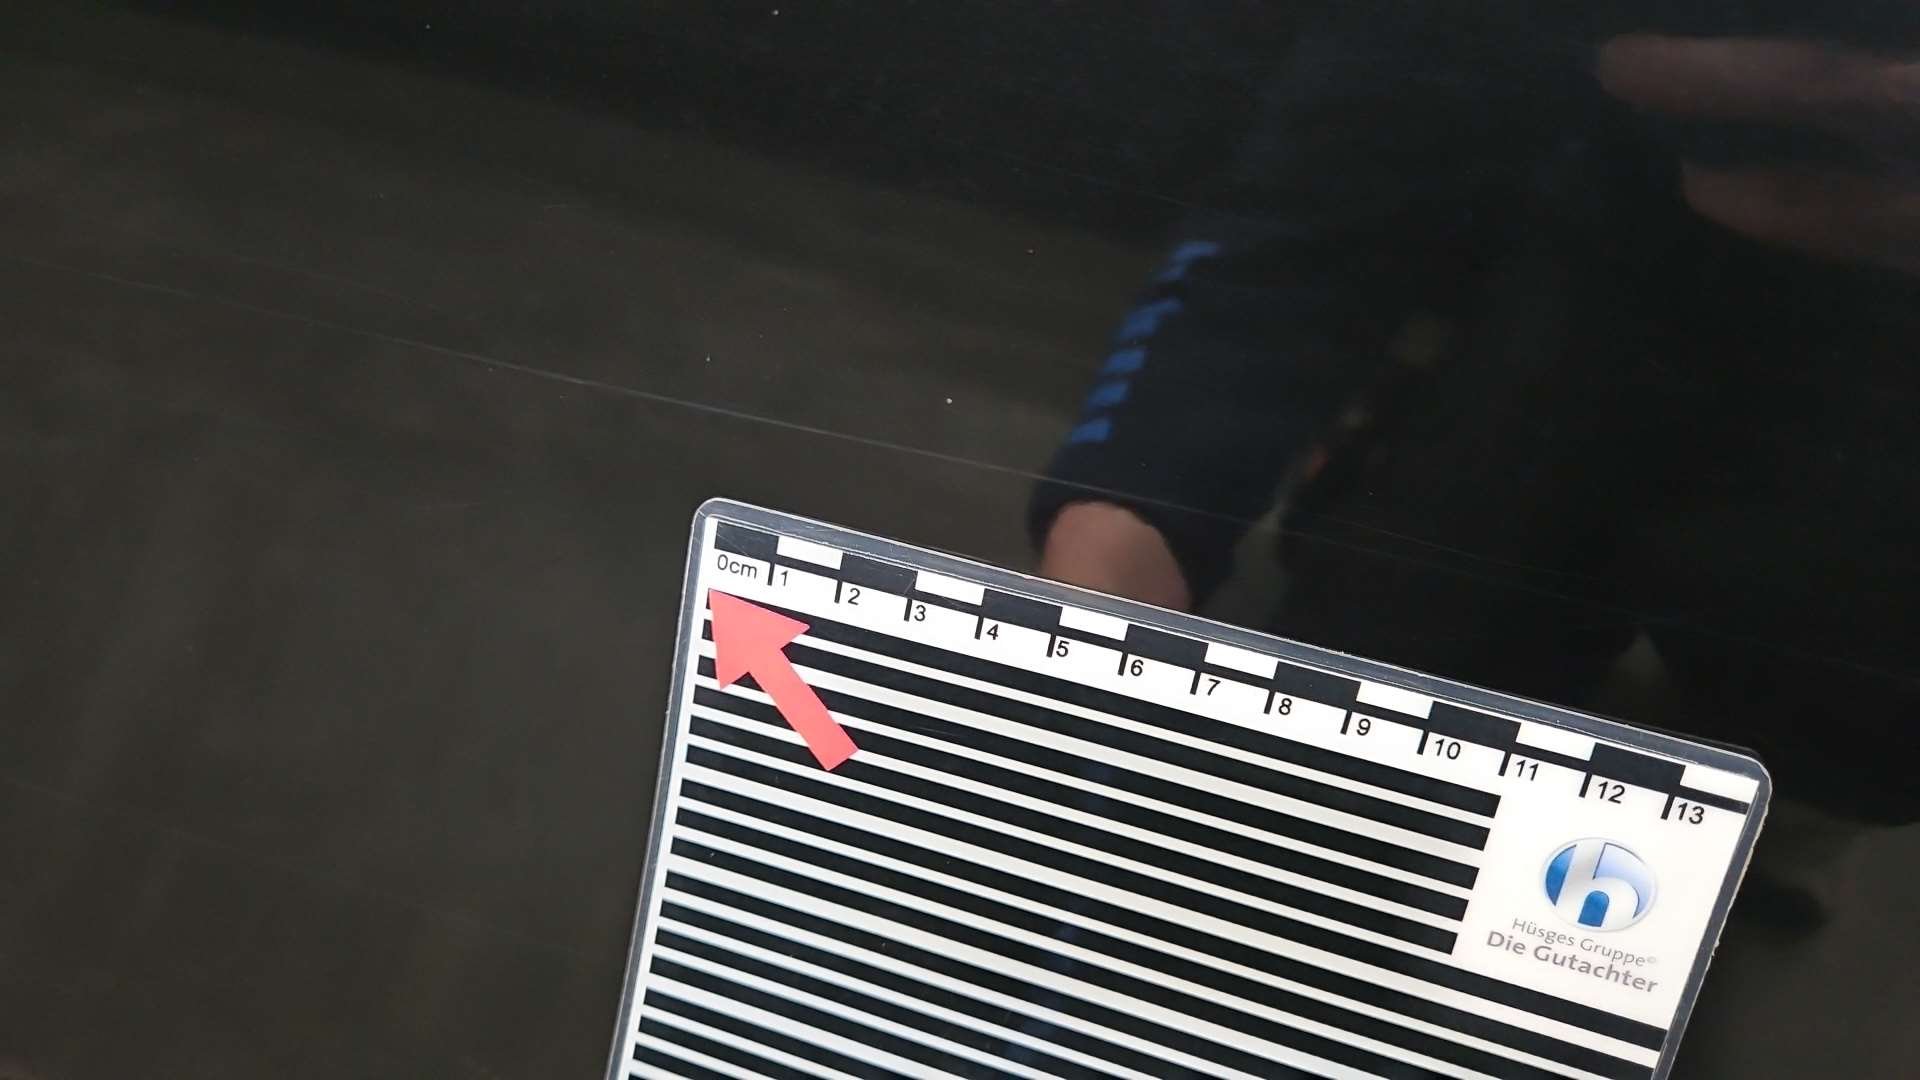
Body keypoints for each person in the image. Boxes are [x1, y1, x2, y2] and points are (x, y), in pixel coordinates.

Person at [1029, 9, 1920, 826]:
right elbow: (1295, 244)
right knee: (1358, 747)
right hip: (1554, 391)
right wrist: (1109, 586)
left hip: (1838, 570)